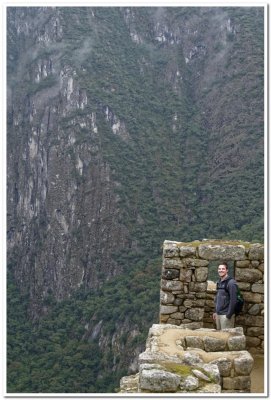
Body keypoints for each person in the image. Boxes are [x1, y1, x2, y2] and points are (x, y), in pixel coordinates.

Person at [212, 262, 238, 330]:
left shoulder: (231, 283)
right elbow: (217, 298)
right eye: (219, 269)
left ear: (227, 270)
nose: (221, 270)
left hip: (225, 315)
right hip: (218, 314)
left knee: (226, 337)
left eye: (223, 269)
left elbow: (233, 300)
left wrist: (229, 315)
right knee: (219, 337)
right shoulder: (219, 282)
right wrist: (215, 312)